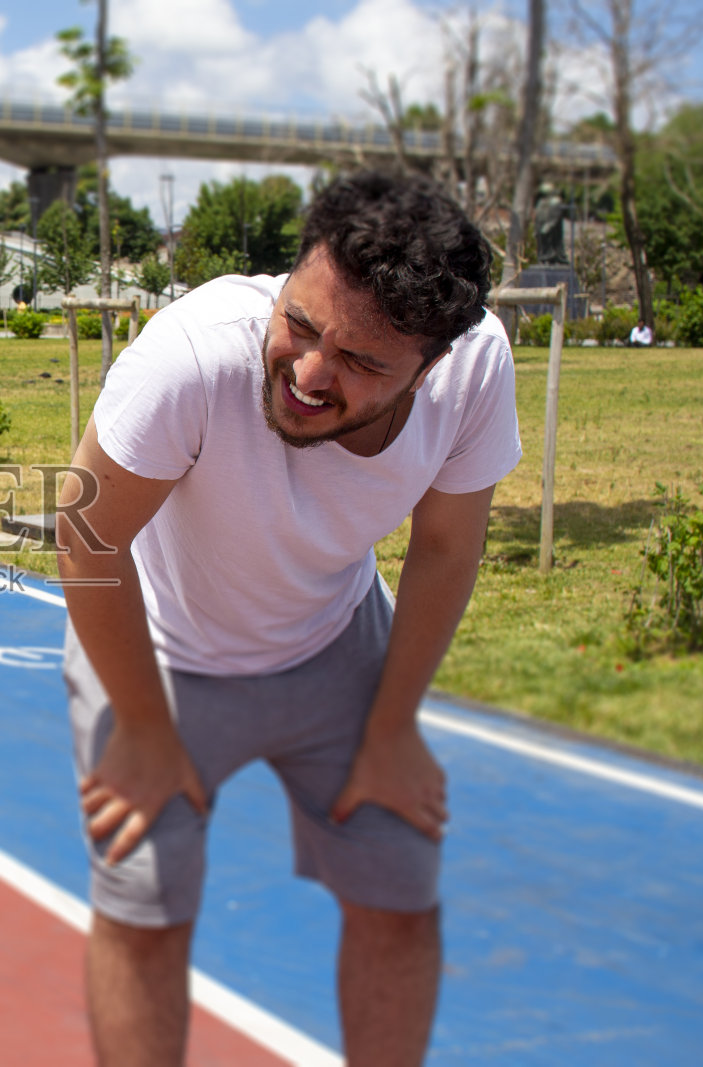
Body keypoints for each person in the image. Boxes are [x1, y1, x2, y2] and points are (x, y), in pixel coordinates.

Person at [56, 170, 520, 1066]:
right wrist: (146, 732)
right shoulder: (190, 355)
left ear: (428, 367)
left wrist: (393, 728)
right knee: (145, 907)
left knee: (398, 894)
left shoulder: (475, 364)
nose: (308, 372)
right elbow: (86, 541)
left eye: (360, 362)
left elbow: (446, 548)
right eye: (301, 325)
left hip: (334, 645)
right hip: (160, 650)